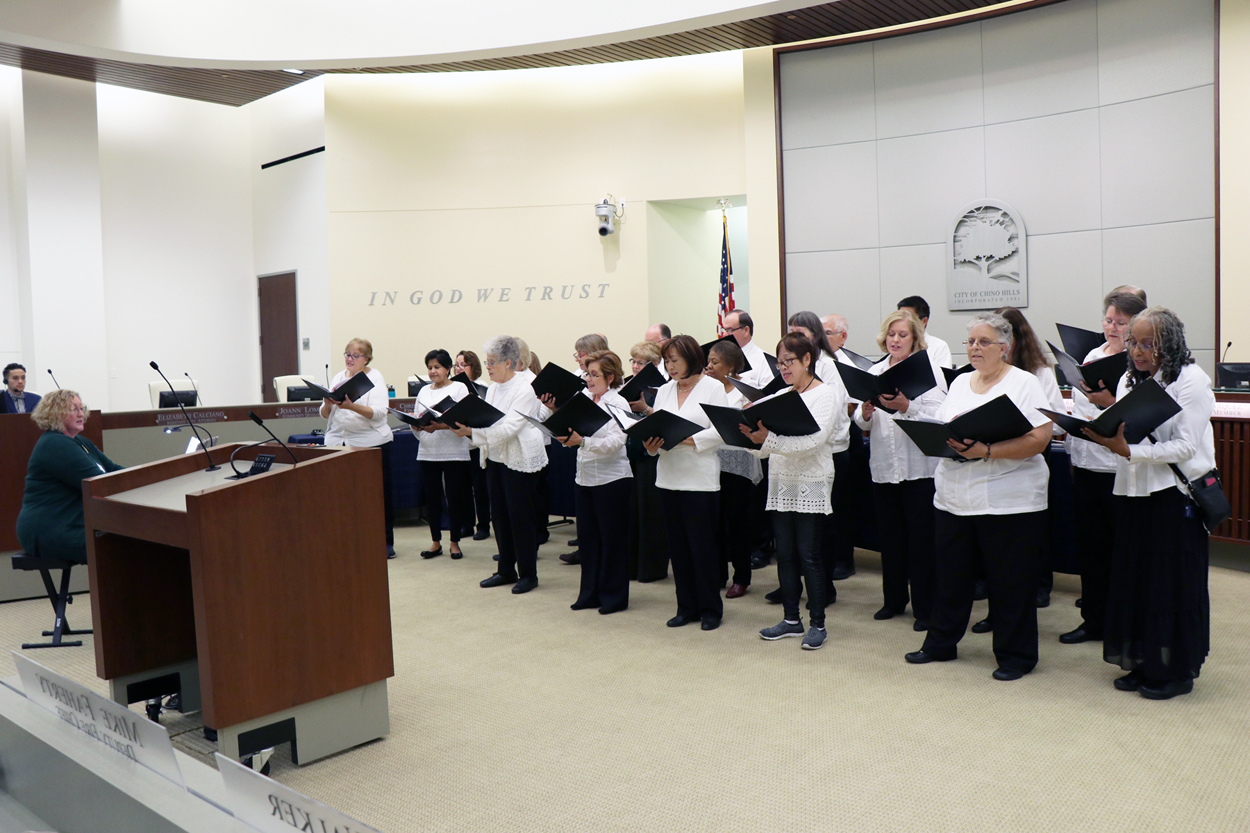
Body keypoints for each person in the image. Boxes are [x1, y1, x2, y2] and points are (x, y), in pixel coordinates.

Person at [905, 312, 1053, 681]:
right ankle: (940, 643)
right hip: (955, 497)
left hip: (1010, 499)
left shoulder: (1024, 383)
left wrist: (987, 450)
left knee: (1010, 581)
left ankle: (1016, 656)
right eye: (970, 341)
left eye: (984, 341)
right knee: (952, 577)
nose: (974, 347)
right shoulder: (959, 384)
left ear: (1005, 347)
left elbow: (1040, 439)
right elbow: (944, 428)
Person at [1082, 307, 1214, 700]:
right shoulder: (1128, 378)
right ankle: (1142, 660)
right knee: (1136, 580)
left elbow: (1187, 446)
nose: (1138, 351)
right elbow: (1127, 430)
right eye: (1133, 343)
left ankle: (1174, 671)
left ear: (1169, 343)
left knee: (1169, 586)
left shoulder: (1191, 380)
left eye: (1147, 344)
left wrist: (1128, 450)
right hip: (1133, 492)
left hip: (1174, 496)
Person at [1059, 292, 1148, 645]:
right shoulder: (1094, 356)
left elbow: (1141, 416)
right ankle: (1092, 620)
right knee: (1091, 548)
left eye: (1121, 323)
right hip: (1085, 463)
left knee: (1119, 550)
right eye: (1108, 320)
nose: (1112, 328)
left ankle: (1120, 623)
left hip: (1117, 468)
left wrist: (1108, 402)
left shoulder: (1138, 361)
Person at [748, 334, 843, 651]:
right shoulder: (784, 395)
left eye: (789, 360)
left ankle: (818, 624)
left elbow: (812, 442)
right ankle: (791, 620)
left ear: (807, 360)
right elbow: (767, 447)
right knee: (785, 555)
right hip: (781, 480)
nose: (783, 367)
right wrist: (751, 434)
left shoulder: (825, 395)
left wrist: (767, 439)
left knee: (809, 556)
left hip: (811, 480)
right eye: (779, 362)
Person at [853, 310, 946, 631]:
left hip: (918, 468)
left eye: (902, 335)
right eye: (891, 334)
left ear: (915, 338)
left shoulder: (928, 369)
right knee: (890, 539)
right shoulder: (876, 371)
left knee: (921, 541)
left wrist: (908, 407)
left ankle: (925, 608)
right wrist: (864, 412)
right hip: (883, 467)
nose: (895, 340)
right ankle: (893, 601)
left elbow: (941, 416)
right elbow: (861, 422)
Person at [644, 335, 728, 630]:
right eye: (666, 361)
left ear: (691, 358)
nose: (669, 367)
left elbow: (720, 431)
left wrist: (684, 438)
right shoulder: (665, 390)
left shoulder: (713, 387)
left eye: (674, 361)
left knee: (701, 547)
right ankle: (686, 606)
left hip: (700, 479)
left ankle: (710, 609)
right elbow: (655, 430)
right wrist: (652, 444)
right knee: (678, 547)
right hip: (668, 476)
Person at [453, 336, 548, 594]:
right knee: (500, 518)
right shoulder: (494, 387)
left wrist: (473, 432)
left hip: (519, 460)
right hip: (495, 457)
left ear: (509, 363)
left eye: (493, 362)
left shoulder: (525, 388)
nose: (489, 367)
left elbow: (509, 427)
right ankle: (506, 569)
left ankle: (529, 574)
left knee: (521, 518)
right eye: (487, 362)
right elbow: (489, 419)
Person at [998, 306, 1065, 611]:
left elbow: (1057, 417)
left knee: (1036, 522)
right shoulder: (989, 369)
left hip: (1032, 447)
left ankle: (1040, 584)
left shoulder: (1039, 371)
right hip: (997, 450)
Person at [559, 351, 633, 614]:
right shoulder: (584, 399)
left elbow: (616, 443)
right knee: (588, 539)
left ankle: (613, 597)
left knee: (612, 540)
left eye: (594, 375)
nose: (588, 379)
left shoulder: (619, 402)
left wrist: (583, 441)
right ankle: (589, 593)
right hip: (585, 477)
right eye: (587, 374)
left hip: (612, 479)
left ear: (610, 377)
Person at [17, 389, 123, 562]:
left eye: (82, 409)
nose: (81, 414)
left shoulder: (80, 441)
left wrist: (149, 476)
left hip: (70, 524)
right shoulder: (55, 444)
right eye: (74, 409)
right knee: (125, 542)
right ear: (56, 413)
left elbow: (114, 469)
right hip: (50, 530)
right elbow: (99, 483)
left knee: (133, 538)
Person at [788, 310, 855, 584]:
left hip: (830, 449)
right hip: (799, 448)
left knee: (825, 522)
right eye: (791, 333)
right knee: (795, 521)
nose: (795, 339)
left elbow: (837, 410)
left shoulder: (830, 364)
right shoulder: (795, 364)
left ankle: (824, 584)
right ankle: (793, 581)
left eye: (801, 334)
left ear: (815, 337)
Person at [321, 338, 396, 558]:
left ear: (366, 358)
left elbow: (381, 412)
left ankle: (385, 542)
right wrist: (327, 403)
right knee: (343, 497)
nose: (349, 359)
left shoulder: (374, 377)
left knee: (376, 497)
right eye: (347, 354)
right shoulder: (337, 377)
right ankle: (349, 540)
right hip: (338, 443)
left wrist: (352, 406)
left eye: (355, 355)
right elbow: (325, 414)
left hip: (370, 443)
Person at [704, 339, 760, 599]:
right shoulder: (708, 389)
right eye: (709, 361)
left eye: (715, 362)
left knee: (738, 522)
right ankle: (716, 573)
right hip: (711, 462)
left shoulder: (745, 392)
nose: (709, 366)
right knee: (714, 522)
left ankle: (742, 577)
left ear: (731, 365)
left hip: (738, 464)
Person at [414, 349, 474, 560]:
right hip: (428, 451)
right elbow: (417, 418)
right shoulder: (423, 392)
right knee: (432, 498)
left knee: (455, 497)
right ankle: (435, 541)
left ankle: (454, 542)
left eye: (437, 367)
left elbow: (464, 420)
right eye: (430, 368)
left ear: (448, 369)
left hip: (453, 450)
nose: (433, 371)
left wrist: (438, 426)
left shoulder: (459, 388)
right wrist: (417, 425)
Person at [625, 339, 671, 582]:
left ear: (654, 365)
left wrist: (644, 410)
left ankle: (651, 568)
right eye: (633, 361)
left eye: (641, 362)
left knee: (651, 514)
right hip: (632, 454)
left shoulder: (661, 388)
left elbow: (661, 420)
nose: (635, 366)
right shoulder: (629, 385)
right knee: (634, 512)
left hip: (651, 455)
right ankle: (633, 565)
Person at [455, 350, 491, 540]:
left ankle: (483, 525)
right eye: (457, 365)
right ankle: (466, 524)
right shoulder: (453, 387)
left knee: (480, 489)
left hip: (477, 444)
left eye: (463, 365)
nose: (459, 368)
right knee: (462, 488)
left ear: (473, 367)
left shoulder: (482, 387)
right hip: (460, 444)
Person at [721, 310, 775, 388]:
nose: (725, 334)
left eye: (730, 330)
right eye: (724, 330)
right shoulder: (719, 358)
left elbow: (768, 393)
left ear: (746, 331)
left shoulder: (763, 360)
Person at [897, 296, 954, 369]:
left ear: (924, 321)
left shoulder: (939, 347)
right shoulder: (895, 343)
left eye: (909, 318)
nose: (903, 322)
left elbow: (943, 378)